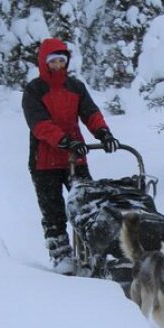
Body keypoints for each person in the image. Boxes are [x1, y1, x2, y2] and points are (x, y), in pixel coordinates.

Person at [22, 37, 120, 275]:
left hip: (75, 158)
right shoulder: (34, 90)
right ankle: (61, 256)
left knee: (87, 207)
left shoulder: (75, 87)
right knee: (54, 211)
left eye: (61, 61)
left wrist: (103, 133)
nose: (57, 65)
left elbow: (90, 112)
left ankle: (92, 254)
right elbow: (39, 124)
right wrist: (64, 141)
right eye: (53, 61)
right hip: (45, 161)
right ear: (45, 63)